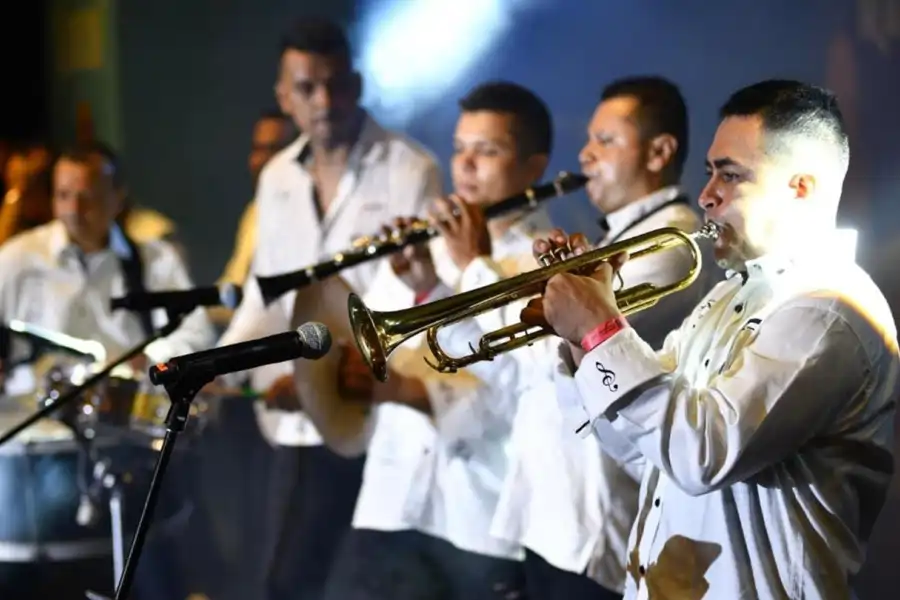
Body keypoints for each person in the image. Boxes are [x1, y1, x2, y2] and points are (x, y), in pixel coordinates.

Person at [527, 79, 899, 599]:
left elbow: (702, 453)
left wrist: (599, 328)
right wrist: (579, 343)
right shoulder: (728, 295)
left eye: (731, 175)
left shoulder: (828, 310)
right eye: (709, 172)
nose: (706, 195)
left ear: (801, 187)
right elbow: (641, 449)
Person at [216, 16, 442, 600]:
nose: (324, 101)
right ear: (283, 96)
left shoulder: (410, 169)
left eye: (337, 84)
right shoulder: (276, 178)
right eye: (307, 87)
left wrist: (319, 372)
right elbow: (267, 295)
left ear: (357, 85)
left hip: (375, 409)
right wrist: (220, 368)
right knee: (286, 583)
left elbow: (417, 295)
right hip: (296, 422)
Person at [322, 81, 555, 600]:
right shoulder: (429, 241)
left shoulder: (546, 260)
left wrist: (450, 282)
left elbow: (522, 388)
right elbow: (370, 339)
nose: (465, 165)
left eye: (487, 151)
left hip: (477, 519)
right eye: (459, 148)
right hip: (389, 500)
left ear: (534, 167)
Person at [489, 75, 708, 600]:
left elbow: (550, 347)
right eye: (589, 139)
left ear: (660, 151)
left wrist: (477, 265)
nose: (585, 155)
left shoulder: (671, 243)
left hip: (595, 524)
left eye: (606, 141)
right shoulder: (619, 236)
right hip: (553, 515)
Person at [0, 141, 216, 600]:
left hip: (127, 449)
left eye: (87, 197)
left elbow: (197, 335)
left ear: (119, 198)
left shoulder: (154, 260)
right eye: (63, 196)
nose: (73, 210)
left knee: (149, 578)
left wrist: (150, 358)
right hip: (33, 455)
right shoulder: (16, 260)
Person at [210, 109, 295, 326]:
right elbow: (234, 284)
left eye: (273, 150)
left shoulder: (306, 213)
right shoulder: (254, 211)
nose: (261, 161)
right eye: (257, 149)